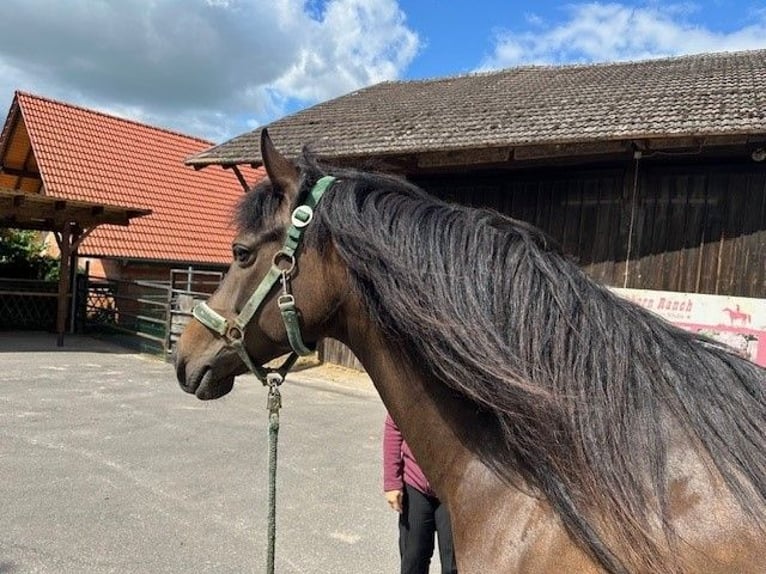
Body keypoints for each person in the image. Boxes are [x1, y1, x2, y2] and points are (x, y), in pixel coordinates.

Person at [383, 413, 458, 574]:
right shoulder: (416, 388)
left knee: (454, 566)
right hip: (415, 485)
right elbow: (394, 425)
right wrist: (392, 482)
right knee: (413, 560)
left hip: (454, 491)